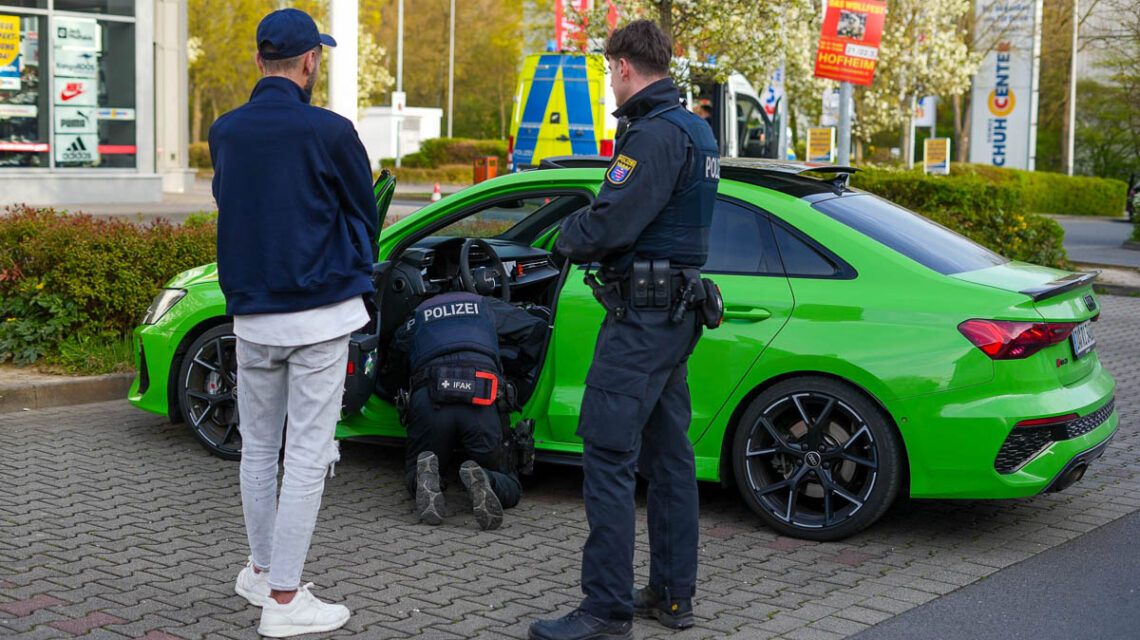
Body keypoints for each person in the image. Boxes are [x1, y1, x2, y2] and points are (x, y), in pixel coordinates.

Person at [529, 19, 719, 640]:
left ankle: (604, 610)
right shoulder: (696, 128)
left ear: (623, 67)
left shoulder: (654, 136)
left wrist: (565, 235)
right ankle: (671, 597)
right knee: (669, 458)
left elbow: (608, 225)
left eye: (609, 71)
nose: (610, 83)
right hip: (676, 314)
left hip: (641, 320)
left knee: (608, 455)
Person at [209, 8, 378, 638]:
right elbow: (365, 214)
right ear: (311, 62)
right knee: (307, 454)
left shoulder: (223, 131)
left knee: (257, 448)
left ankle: (259, 570)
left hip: (253, 317)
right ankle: (283, 602)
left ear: (260, 61)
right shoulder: (332, 131)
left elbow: (234, 205)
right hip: (320, 316)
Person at [391, 290, 548, 530]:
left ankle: (426, 477)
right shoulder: (485, 305)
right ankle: (488, 479)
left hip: (430, 396)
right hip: (481, 394)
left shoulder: (418, 315)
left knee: (417, 466)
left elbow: (396, 360)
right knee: (510, 483)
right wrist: (513, 370)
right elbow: (536, 329)